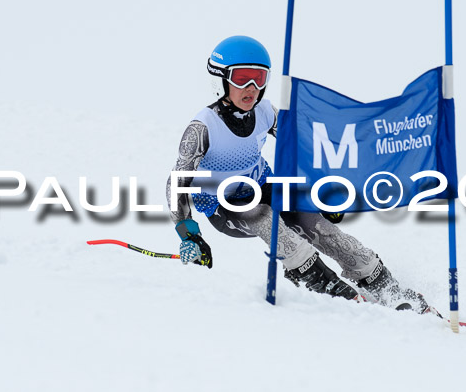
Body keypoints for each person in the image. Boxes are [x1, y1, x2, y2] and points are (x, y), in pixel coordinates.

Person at [166, 35, 429, 312]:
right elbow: (176, 183)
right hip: (223, 205)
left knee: (314, 222)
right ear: (220, 80)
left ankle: (381, 282)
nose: (252, 88)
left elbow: (303, 148)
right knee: (264, 217)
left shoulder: (265, 112)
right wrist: (189, 233)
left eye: (260, 78)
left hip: (263, 186)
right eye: (242, 78)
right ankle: (319, 281)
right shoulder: (203, 128)